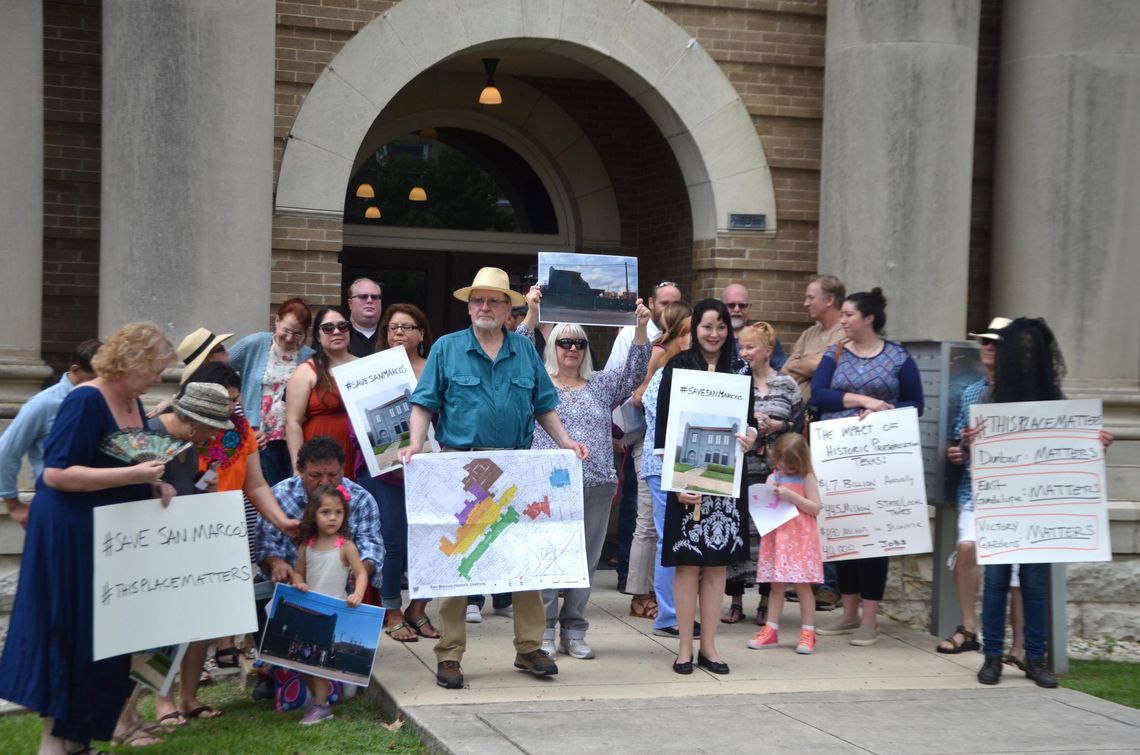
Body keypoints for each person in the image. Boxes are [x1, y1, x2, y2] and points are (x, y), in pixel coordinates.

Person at [398, 266, 587, 690]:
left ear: (508, 310)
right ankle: (449, 654)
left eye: (494, 301)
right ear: (469, 307)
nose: (484, 307)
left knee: (526, 561)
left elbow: (544, 406)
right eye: (477, 300)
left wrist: (567, 442)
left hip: (518, 469)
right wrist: (414, 445)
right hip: (460, 470)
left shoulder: (524, 353)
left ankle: (529, 649)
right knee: (458, 560)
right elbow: (423, 404)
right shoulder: (447, 349)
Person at [0, 323, 175, 753]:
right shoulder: (84, 400)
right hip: (70, 539)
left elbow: (125, 463)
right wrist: (133, 475)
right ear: (130, 362)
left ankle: (77, 743)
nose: (157, 377)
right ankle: (54, 745)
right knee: (72, 637)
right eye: (154, 367)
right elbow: (57, 474)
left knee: (104, 643)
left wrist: (153, 486)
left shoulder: (133, 400)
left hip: (110, 540)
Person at [975, 318, 1113, 688]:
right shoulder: (991, 396)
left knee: (1035, 583)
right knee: (996, 582)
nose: (1024, 358)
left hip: (1038, 509)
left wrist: (1093, 442)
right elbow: (973, 449)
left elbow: (1071, 446)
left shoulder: (1055, 400)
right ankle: (992, 656)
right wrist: (971, 439)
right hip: (1002, 505)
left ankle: (1036, 659)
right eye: (1017, 350)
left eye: (1029, 351)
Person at [534, 307, 652, 660]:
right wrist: (530, 314)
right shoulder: (536, 382)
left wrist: (641, 328)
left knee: (585, 560)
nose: (572, 349)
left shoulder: (600, 384)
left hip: (596, 483)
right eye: (564, 342)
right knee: (547, 557)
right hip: (548, 485)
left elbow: (635, 370)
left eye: (579, 343)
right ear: (552, 346)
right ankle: (543, 629)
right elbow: (523, 344)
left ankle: (574, 629)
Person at [811, 288, 924, 646]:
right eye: (842, 315)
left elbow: (915, 403)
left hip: (880, 458)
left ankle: (870, 620)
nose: (842, 321)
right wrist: (866, 400)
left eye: (848, 315)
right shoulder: (836, 352)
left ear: (869, 318)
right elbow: (818, 394)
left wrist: (884, 411)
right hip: (839, 457)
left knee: (873, 538)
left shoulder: (897, 357)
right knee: (844, 530)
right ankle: (848, 613)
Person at [656, 299, 759, 675]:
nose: (714, 334)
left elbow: (749, 422)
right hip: (686, 482)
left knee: (716, 566)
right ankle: (685, 648)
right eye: (706, 326)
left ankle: (710, 648)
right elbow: (664, 430)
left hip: (726, 482)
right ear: (695, 328)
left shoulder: (741, 369)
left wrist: (750, 435)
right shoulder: (677, 368)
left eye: (720, 327)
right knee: (687, 564)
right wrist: (675, 483)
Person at [141, 382, 236, 728]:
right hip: (151, 548)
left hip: (185, 542)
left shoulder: (190, 443)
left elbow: (183, 483)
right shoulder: (151, 434)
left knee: (199, 620)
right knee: (161, 625)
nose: (214, 437)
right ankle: (162, 701)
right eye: (212, 429)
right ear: (195, 422)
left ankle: (188, 696)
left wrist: (200, 482)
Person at [355, 303, 441, 643]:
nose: (399, 333)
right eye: (393, 328)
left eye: (407, 327)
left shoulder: (436, 369)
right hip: (385, 474)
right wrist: (392, 460)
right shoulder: (369, 371)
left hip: (429, 470)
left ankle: (417, 610)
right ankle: (391, 611)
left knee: (433, 541)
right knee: (390, 542)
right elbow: (359, 426)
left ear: (422, 334)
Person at [606, 281, 683, 600]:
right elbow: (619, 382)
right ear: (652, 303)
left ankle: (654, 587)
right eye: (663, 302)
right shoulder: (638, 338)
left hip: (677, 443)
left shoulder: (684, 346)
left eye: (675, 303)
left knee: (663, 519)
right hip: (646, 437)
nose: (668, 308)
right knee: (641, 513)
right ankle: (632, 580)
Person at [939, 316, 1010, 656]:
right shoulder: (971, 392)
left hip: (1016, 493)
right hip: (974, 487)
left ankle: (1021, 647)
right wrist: (958, 449)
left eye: (996, 342)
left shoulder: (1027, 391)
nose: (989, 347)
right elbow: (957, 444)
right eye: (985, 341)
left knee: (1017, 572)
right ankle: (969, 627)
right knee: (967, 548)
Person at [723, 322, 802, 625]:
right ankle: (735, 601)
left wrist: (776, 426)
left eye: (750, 347)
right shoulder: (734, 383)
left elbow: (797, 424)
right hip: (739, 472)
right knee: (738, 536)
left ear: (768, 350)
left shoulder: (787, 385)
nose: (744, 353)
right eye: (741, 347)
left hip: (774, 475)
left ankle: (767, 602)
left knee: (771, 538)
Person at [627, 300, 691, 621]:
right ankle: (668, 614)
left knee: (677, 537)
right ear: (680, 336)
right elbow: (644, 401)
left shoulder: (684, 369)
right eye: (692, 332)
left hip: (682, 462)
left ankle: (674, 609)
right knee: (665, 536)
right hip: (661, 461)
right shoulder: (665, 367)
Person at [0, 338, 100, 528]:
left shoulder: (104, 402)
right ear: (76, 370)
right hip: (57, 509)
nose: (98, 386)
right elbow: (6, 452)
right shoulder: (44, 404)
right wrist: (13, 505)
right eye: (93, 379)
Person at [291, 484, 369, 725]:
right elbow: (297, 573)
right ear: (313, 514)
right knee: (302, 659)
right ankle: (318, 698)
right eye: (325, 512)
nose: (332, 517)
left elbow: (361, 573)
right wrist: (299, 583)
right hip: (308, 609)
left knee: (319, 659)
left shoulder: (345, 546)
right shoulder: (307, 545)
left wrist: (357, 593)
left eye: (338, 512)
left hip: (332, 612)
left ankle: (321, 706)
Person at [747, 433, 824, 654]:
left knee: (803, 586)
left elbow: (815, 508)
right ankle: (770, 630)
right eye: (783, 465)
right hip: (778, 538)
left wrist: (792, 496)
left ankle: (808, 632)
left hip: (800, 539)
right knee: (776, 585)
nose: (787, 470)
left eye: (791, 467)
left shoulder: (807, 477)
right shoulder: (774, 477)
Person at [228, 297, 315, 486]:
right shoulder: (255, 344)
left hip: (294, 440)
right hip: (259, 438)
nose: (291, 338)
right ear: (277, 321)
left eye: (298, 334)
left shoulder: (309, 356)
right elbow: (219, 369)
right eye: (287, 330)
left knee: (292, 490)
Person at [285, 306, 358, 479]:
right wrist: (298, 468)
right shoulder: (306, 371)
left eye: (342, 326)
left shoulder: (365, 366)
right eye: (328, 327)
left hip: (360, 454)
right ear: (318, 335)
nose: (336, 331)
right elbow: (292, 422)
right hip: (319, 456)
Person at [783, 274, 846, 403]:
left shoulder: (847, 330)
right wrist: (811, 363)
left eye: (811, 298)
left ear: (829, 300)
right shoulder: (808, 334)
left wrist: (796, 365)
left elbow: (821, 366)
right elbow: (784, 374)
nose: (805, 304)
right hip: (800, 415)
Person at [722, 282, 786, 370]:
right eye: (731, 305)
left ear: (749, 307)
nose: (737, 309)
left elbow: (781, 369)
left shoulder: (764, 335)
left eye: (742, 305)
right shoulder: (714, 337)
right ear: (722, 307)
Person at [345, 277, 383, 357]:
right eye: (363, 296)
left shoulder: (390, 335)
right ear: (350, 303)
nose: (369, 300)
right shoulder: (338, 334)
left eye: (374, 297)